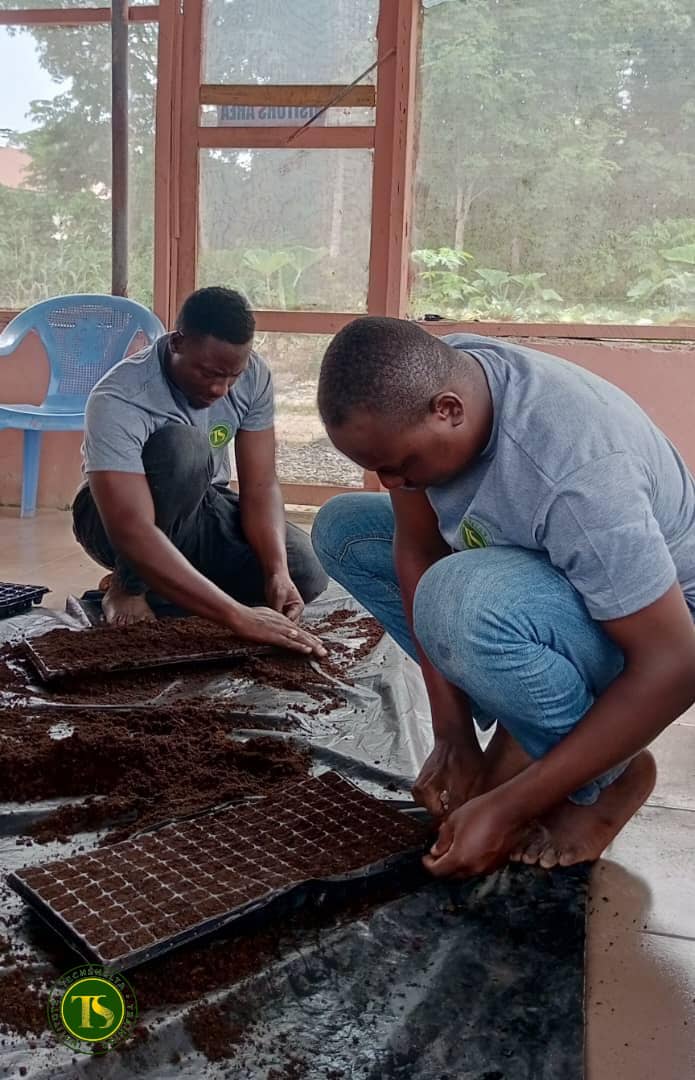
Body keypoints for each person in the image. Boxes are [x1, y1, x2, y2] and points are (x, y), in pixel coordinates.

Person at [311, 317, 695, 877]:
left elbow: (677, 664)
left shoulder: (581, 475)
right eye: (379, 469)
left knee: (461, 602)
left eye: (400, 465)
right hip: (542, 567)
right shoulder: (446, 377)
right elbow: (417, 550)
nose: (391, 482)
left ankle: (608, 781)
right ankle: (525, 713)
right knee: (343, 530)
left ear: (448, 410)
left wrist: (510, 806)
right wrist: (452, 733)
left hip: (660, 618)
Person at [73, 286, 327, 657]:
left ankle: (165, 588)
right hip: (112, 519)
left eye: (232, 377)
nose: (220, 389)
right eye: (209, 373)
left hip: (202, 506)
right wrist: (236, 616)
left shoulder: (254, 375)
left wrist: (277, 572)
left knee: (305, 570)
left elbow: (260, 484)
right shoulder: (119, 396)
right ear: (177, 342)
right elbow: (130, 525)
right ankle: (129, 586)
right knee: (186, 448)